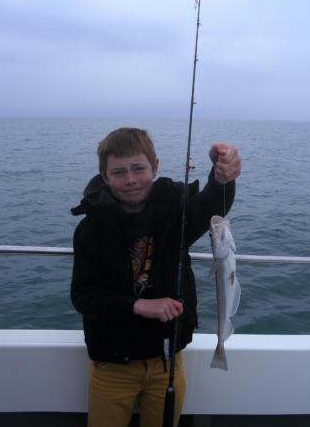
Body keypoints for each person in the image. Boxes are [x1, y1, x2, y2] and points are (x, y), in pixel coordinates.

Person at [70, 127, 241, 427]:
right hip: (111, 365)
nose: (131, 179)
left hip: (167, 362)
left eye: (139, 168)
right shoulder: (90, 229)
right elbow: (83, 295)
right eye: (119, 172)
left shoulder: (176, 211)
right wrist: (137, 305)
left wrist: (221, 179)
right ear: (105, 176)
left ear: (155, 166)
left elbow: (210, 208)